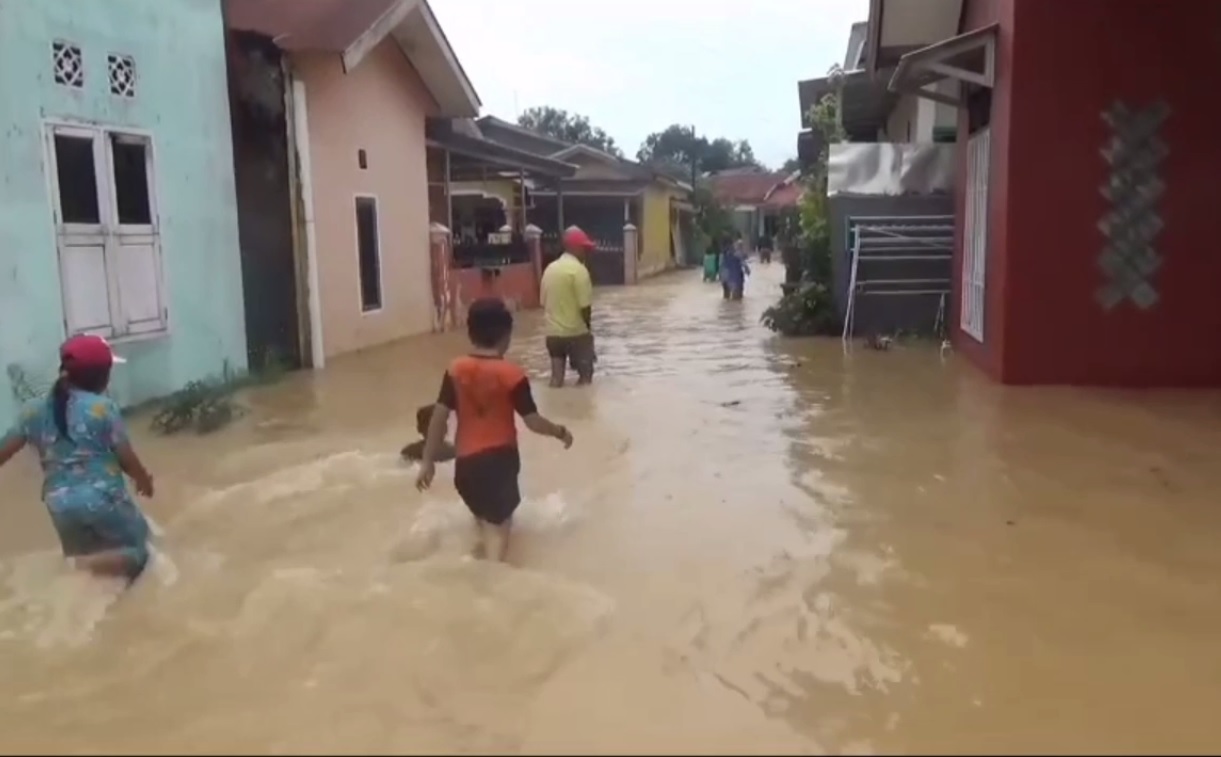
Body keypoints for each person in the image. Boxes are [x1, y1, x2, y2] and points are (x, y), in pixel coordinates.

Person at [416, 298, 573, 561]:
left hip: (465, 468)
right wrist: (559, 431)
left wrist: (427, 462)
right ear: (506, 335)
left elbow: (439, 418)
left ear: (470, 332)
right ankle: (493, 585)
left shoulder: (455, 370)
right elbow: (532, 421)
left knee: (483, 524)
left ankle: (476, 578)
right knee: (499, 535)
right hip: (500, 463)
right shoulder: (512, 375)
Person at [0, 335, 155, 584]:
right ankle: (84, 573)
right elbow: (125, 456)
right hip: (103, 498)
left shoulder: (31, 410)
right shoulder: (103, 408)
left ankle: (75, 572)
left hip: (59, 505)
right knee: (143, 554)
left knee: (90, 575)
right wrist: (143, 480)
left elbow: (3, 451)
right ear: (102, 378)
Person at [540, 226, 596, 387]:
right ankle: (580, 408)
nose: (586, 253)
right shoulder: (579, 271)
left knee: (556, 379)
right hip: (576, 333)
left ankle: (556, 408)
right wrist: (588, 331)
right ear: (575, 248)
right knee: (586, 379)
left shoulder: (549, 269)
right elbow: (585, 307)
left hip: (553, 336)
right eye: (584, 248)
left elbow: (543, 302)